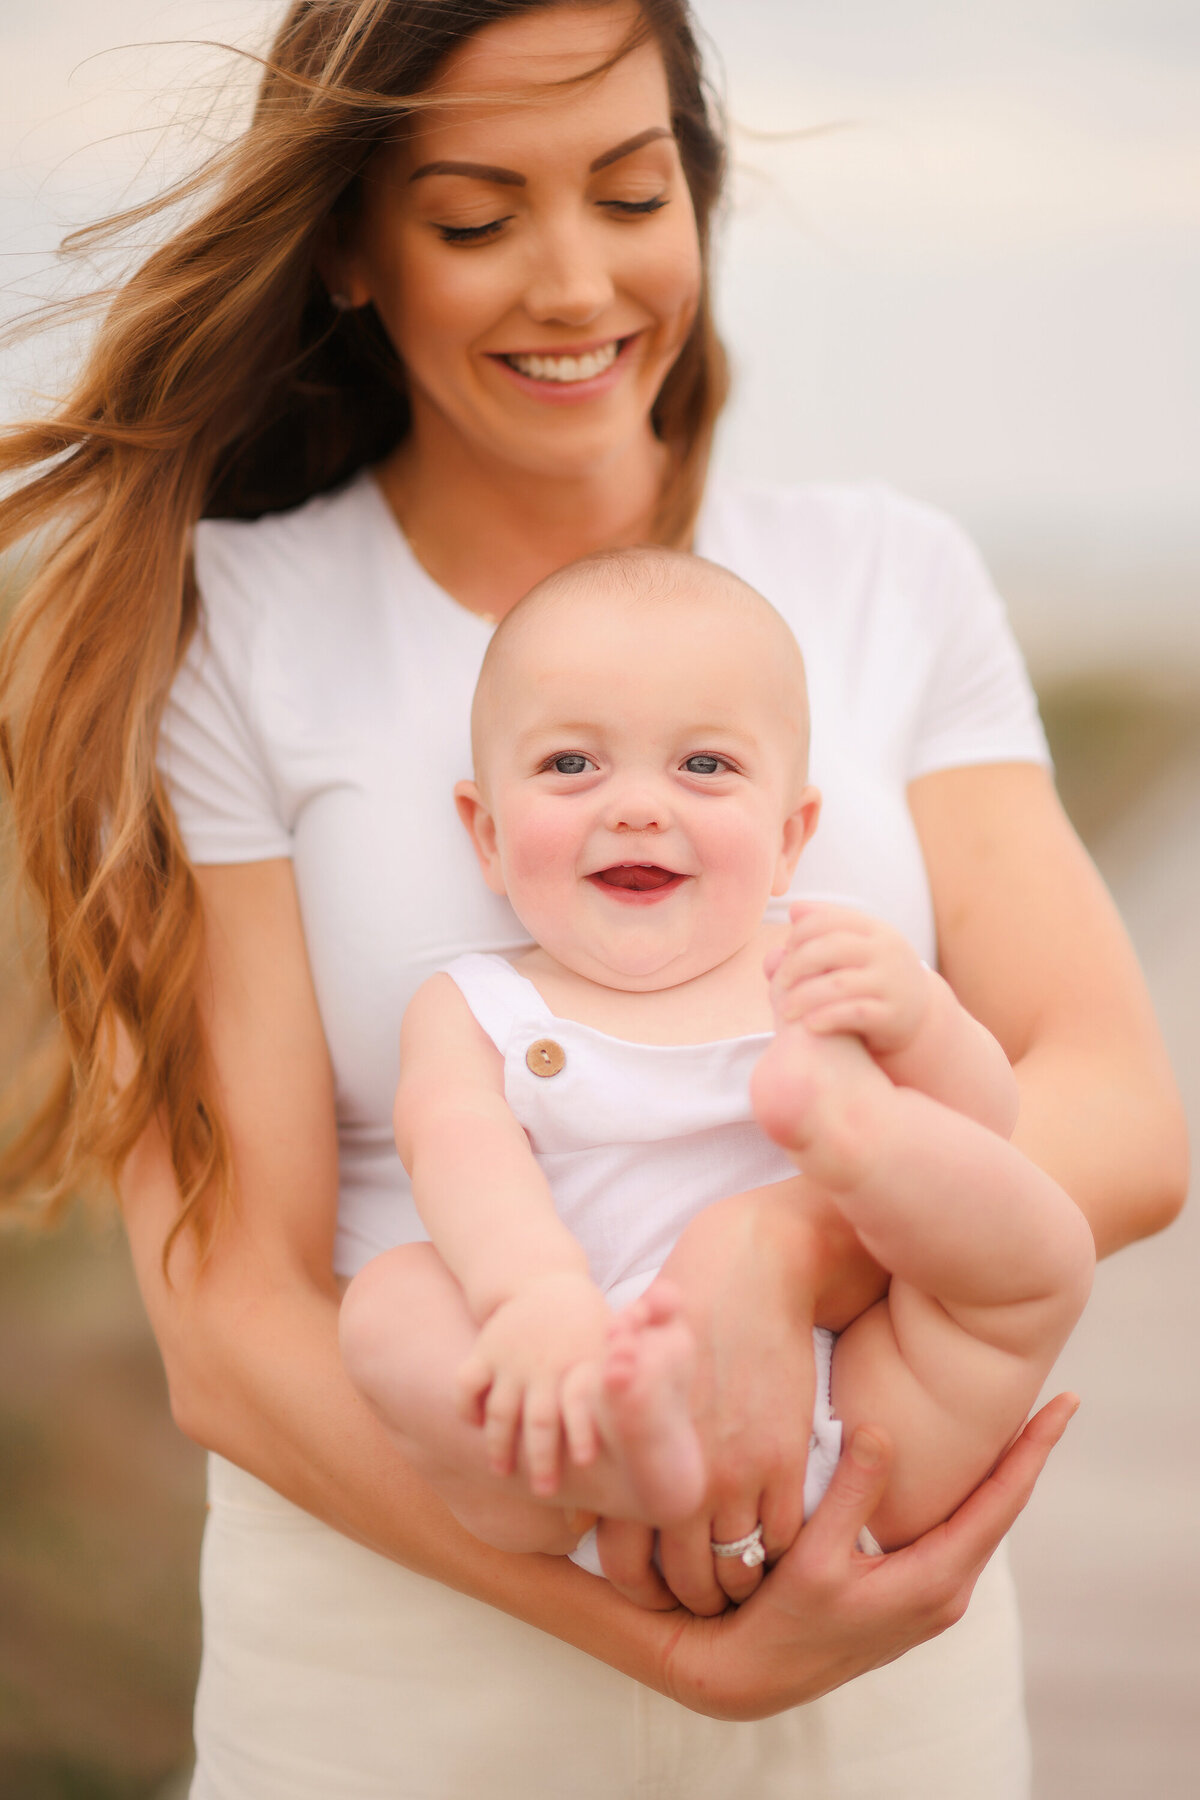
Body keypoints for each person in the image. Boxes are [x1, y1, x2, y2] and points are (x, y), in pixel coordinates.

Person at [0, 2, 1184, 1796]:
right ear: (347, 251)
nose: (574, 283)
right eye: (478, 218)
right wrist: (655, 1644)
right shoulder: (233, 630)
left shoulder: (883, 578)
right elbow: (231, 1326)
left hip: (866, 1624)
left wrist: (782, 1251)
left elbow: (1115, 1106)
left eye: (633, 194)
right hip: (407, 1655)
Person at [341, 547, 1096, 1577]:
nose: (640, 806)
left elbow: (985, 1122)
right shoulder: (481, 1008)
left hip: (869, 1407)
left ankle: (859, 1145)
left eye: (704, 766)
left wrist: (922, 1022)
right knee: (387, 1306)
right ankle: (616, 1463)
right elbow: (458, 1150)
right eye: (572, 765)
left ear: (790, 840)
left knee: (1039, 1252)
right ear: (486, 835)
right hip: (583, 1389)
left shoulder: (826, 962)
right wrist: (538, 1302)